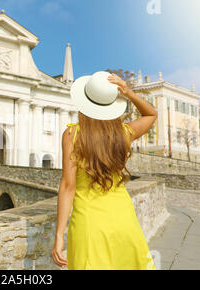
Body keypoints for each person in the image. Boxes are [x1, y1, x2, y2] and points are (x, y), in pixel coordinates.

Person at [51, 71, 158, 270]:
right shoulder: (123, 134)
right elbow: (151, 114)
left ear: (83, 102)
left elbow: (67, 187)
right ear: (112, 105)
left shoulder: (72, 135)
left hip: (89, 224)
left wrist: (59, 236)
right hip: (123, 220)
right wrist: (129, 93)